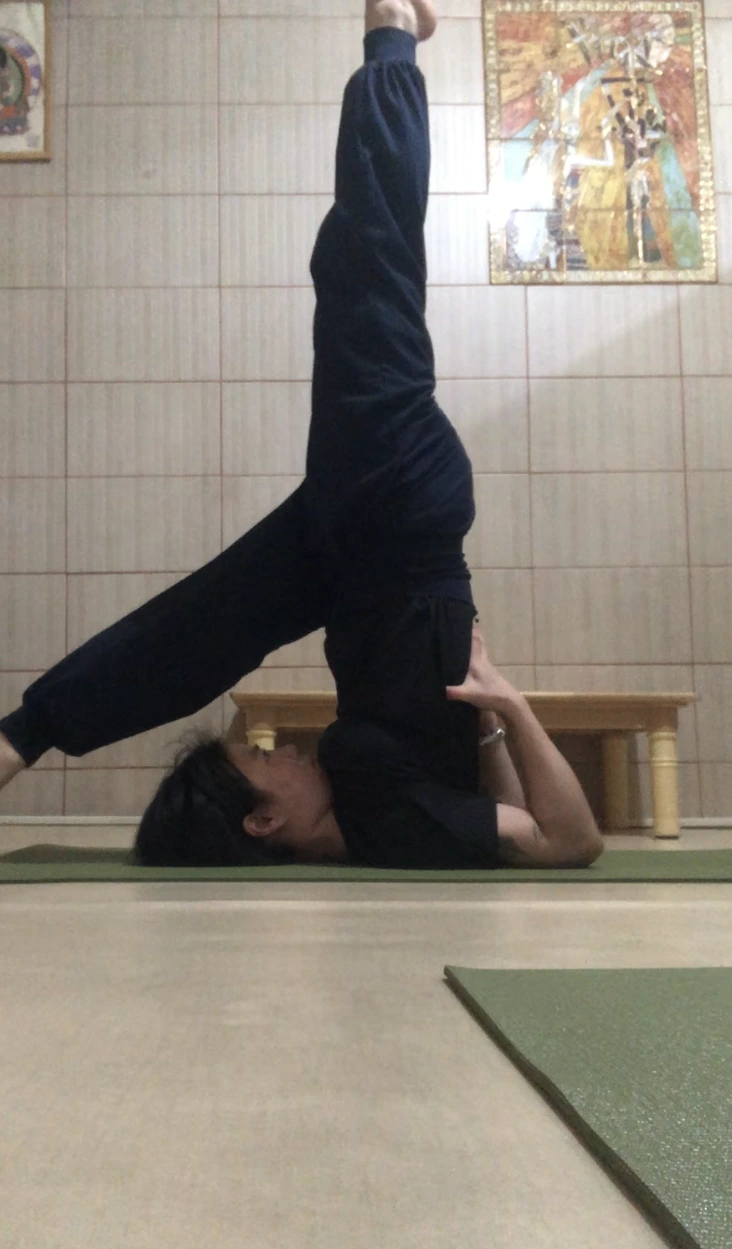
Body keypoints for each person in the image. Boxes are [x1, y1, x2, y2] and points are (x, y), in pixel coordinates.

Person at [0, 0, 603, 872]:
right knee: (368, 271)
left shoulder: (369, 803)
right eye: (260, 762)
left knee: (197, 628)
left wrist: (485, 728)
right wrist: (503, 703)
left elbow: (503, 819)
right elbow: (566, 840)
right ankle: (391, 40)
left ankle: (23, 735)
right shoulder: (383, 814)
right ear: (264, 823)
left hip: (351, 556)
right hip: (393, 513)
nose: (280, 748)